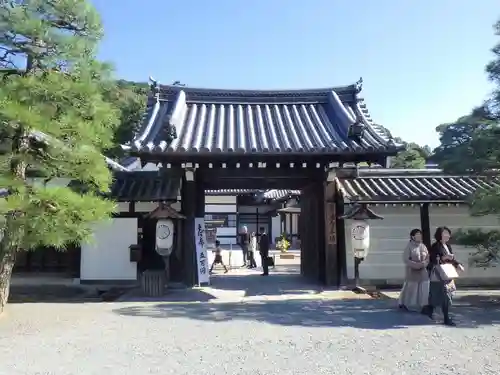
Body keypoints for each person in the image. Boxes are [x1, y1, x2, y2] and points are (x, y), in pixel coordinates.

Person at [422, 226, 463, 326]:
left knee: (443, 295)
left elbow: (452, 259)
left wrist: (458, 264)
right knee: (443, 295)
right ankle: (446, 318)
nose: (447, 235)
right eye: (445, 233)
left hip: (447, 274)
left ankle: (429, 309)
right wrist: (443, 258)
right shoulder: (435, 246)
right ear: (439, 235)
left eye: (448, 233)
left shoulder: (447, 246)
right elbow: (433, 260)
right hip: (438, 275)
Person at [398, 229, 430, 312]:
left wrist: (424, 264)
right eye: (417, 235)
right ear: (412, 236)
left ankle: (424, 306)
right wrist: (416, 265)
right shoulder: (409, 246)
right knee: (411, 289)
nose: (419, 236)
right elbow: (406, 259)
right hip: (412, 272)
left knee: (424, 289)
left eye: (420, 234)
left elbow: (427, 257)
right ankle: (405, 304)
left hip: (423, 271)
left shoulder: (423, 246)